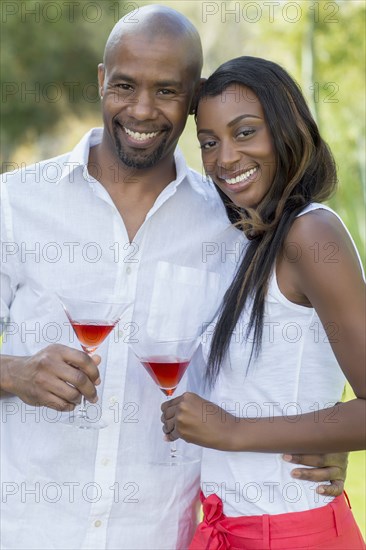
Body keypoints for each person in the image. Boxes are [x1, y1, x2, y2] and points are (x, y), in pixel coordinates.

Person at [0, 7, 350, 549]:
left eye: (166, 90)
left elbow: (279, 362)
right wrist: (14, 373)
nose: (141, 108)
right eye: (124, 85)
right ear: (100, 80)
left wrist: (323, 437)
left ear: (191, 100)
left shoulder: (236, 224)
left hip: (165, 535)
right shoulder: (16, 204)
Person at [161, 56, 366, 549]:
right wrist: (323, 430)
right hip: (226, 527)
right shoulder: (247, 240)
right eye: (209, 143)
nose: (224, 158)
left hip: (292, 532)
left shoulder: (312, 233)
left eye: (245, 132)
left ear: (286, 128)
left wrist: (233, 431)